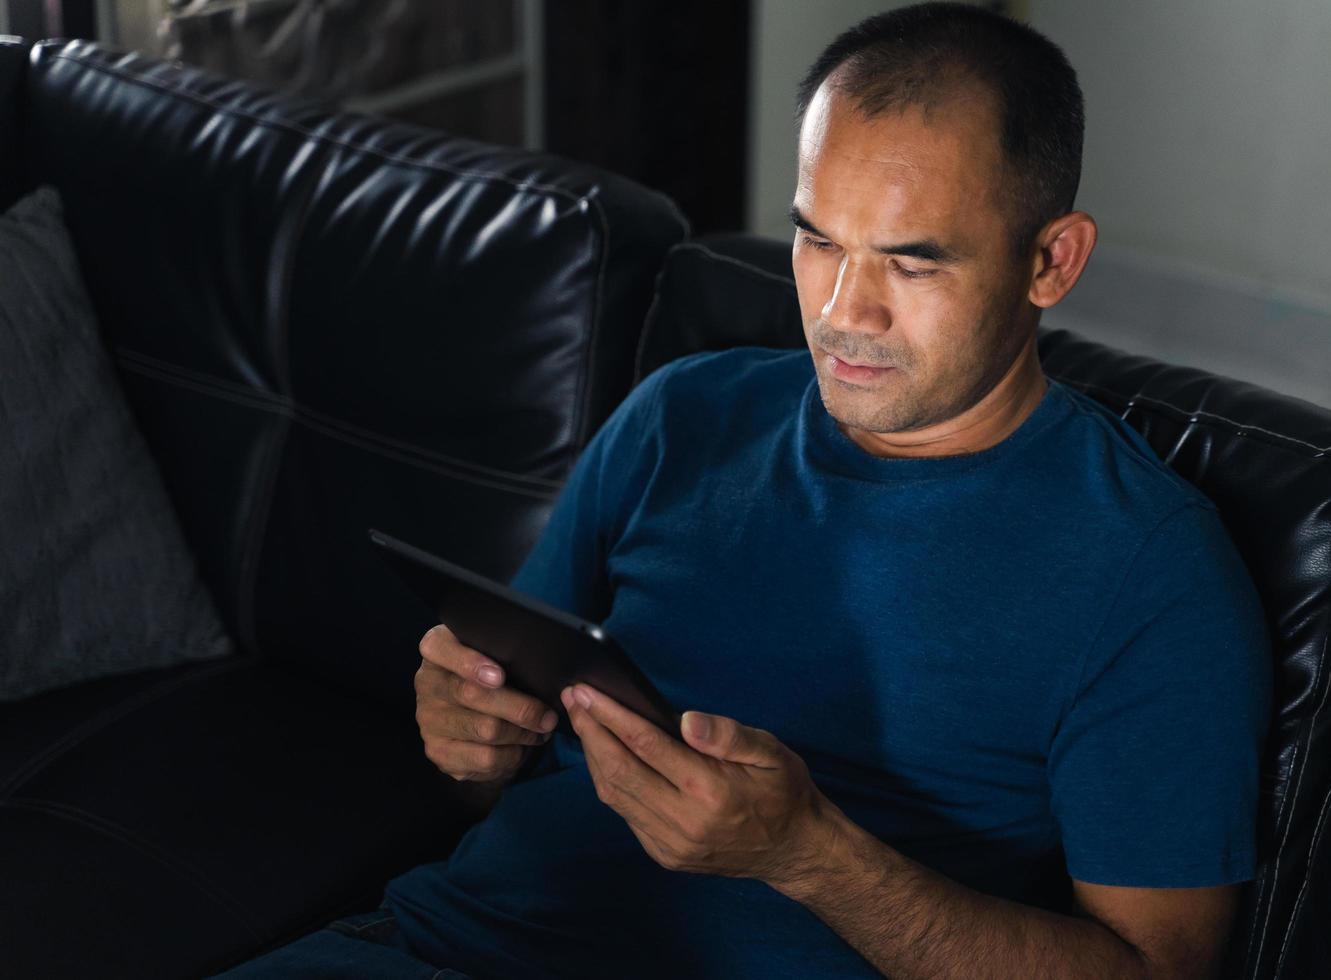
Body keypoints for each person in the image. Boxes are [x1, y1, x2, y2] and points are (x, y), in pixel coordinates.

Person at [220, 4, 1270, 978]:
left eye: (911, 264)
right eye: (818, 239)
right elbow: (486, 760)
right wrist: (466, 734)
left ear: (1051, 259)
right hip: (446, 946)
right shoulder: (685, 415)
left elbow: (1155, 968)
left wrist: (810, 857)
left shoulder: (1150, 573)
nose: (844, 312)